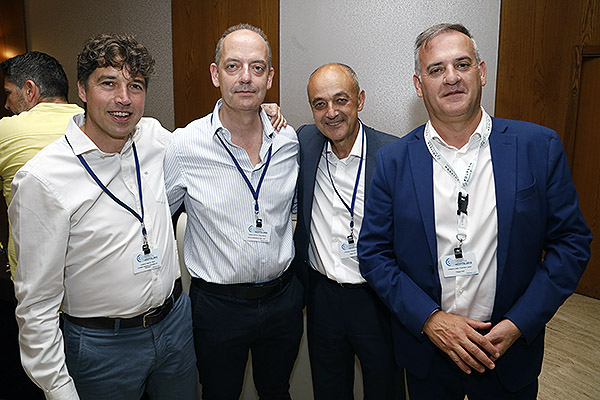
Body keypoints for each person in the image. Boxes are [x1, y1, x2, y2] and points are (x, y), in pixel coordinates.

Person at [357, 23, 592, 399]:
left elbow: (572, 244)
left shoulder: (538, 147)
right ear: (419, 86)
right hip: (428, 352)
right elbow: (372, 254)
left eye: (462, 64)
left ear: (481, 72)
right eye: (436, 69)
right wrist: (430, 319)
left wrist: (519, 322)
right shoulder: (393, 161)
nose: (451, 77)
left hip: (509, 352)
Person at [9, 34, 197, 400]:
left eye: (135, 86)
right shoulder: (42, 180)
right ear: (81, 89)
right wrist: (58, 388)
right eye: (108, 83)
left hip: (174, 327)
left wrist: (257, 113)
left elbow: (208, 142)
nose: (123, 98)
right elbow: (36, 305)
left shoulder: (153, 137)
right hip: (101, 348)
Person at [164, 23, 302, 399]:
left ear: (270, 77)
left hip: (282, 300)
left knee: (277, 391)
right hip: (218, 307)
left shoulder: (288, 141)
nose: (246, 78)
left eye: (257, 68)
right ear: (215, 74)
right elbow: (158, 220)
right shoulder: (184, 145)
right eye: (233, 66)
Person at [293, 63, 402, 399]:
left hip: (377, 299)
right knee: (329, 389)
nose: (332, 113)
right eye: (320, 104)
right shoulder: (304, 141)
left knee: (385, 388)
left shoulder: (393, 154)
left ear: (360, 100)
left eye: (341, 100)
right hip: (323, 298)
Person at [1, 51, 83, 277]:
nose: (7, 104)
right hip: (88, 274)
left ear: (29, 90)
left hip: (34, 276)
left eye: (8, 93)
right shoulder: (93, 124)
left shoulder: (6, 131)